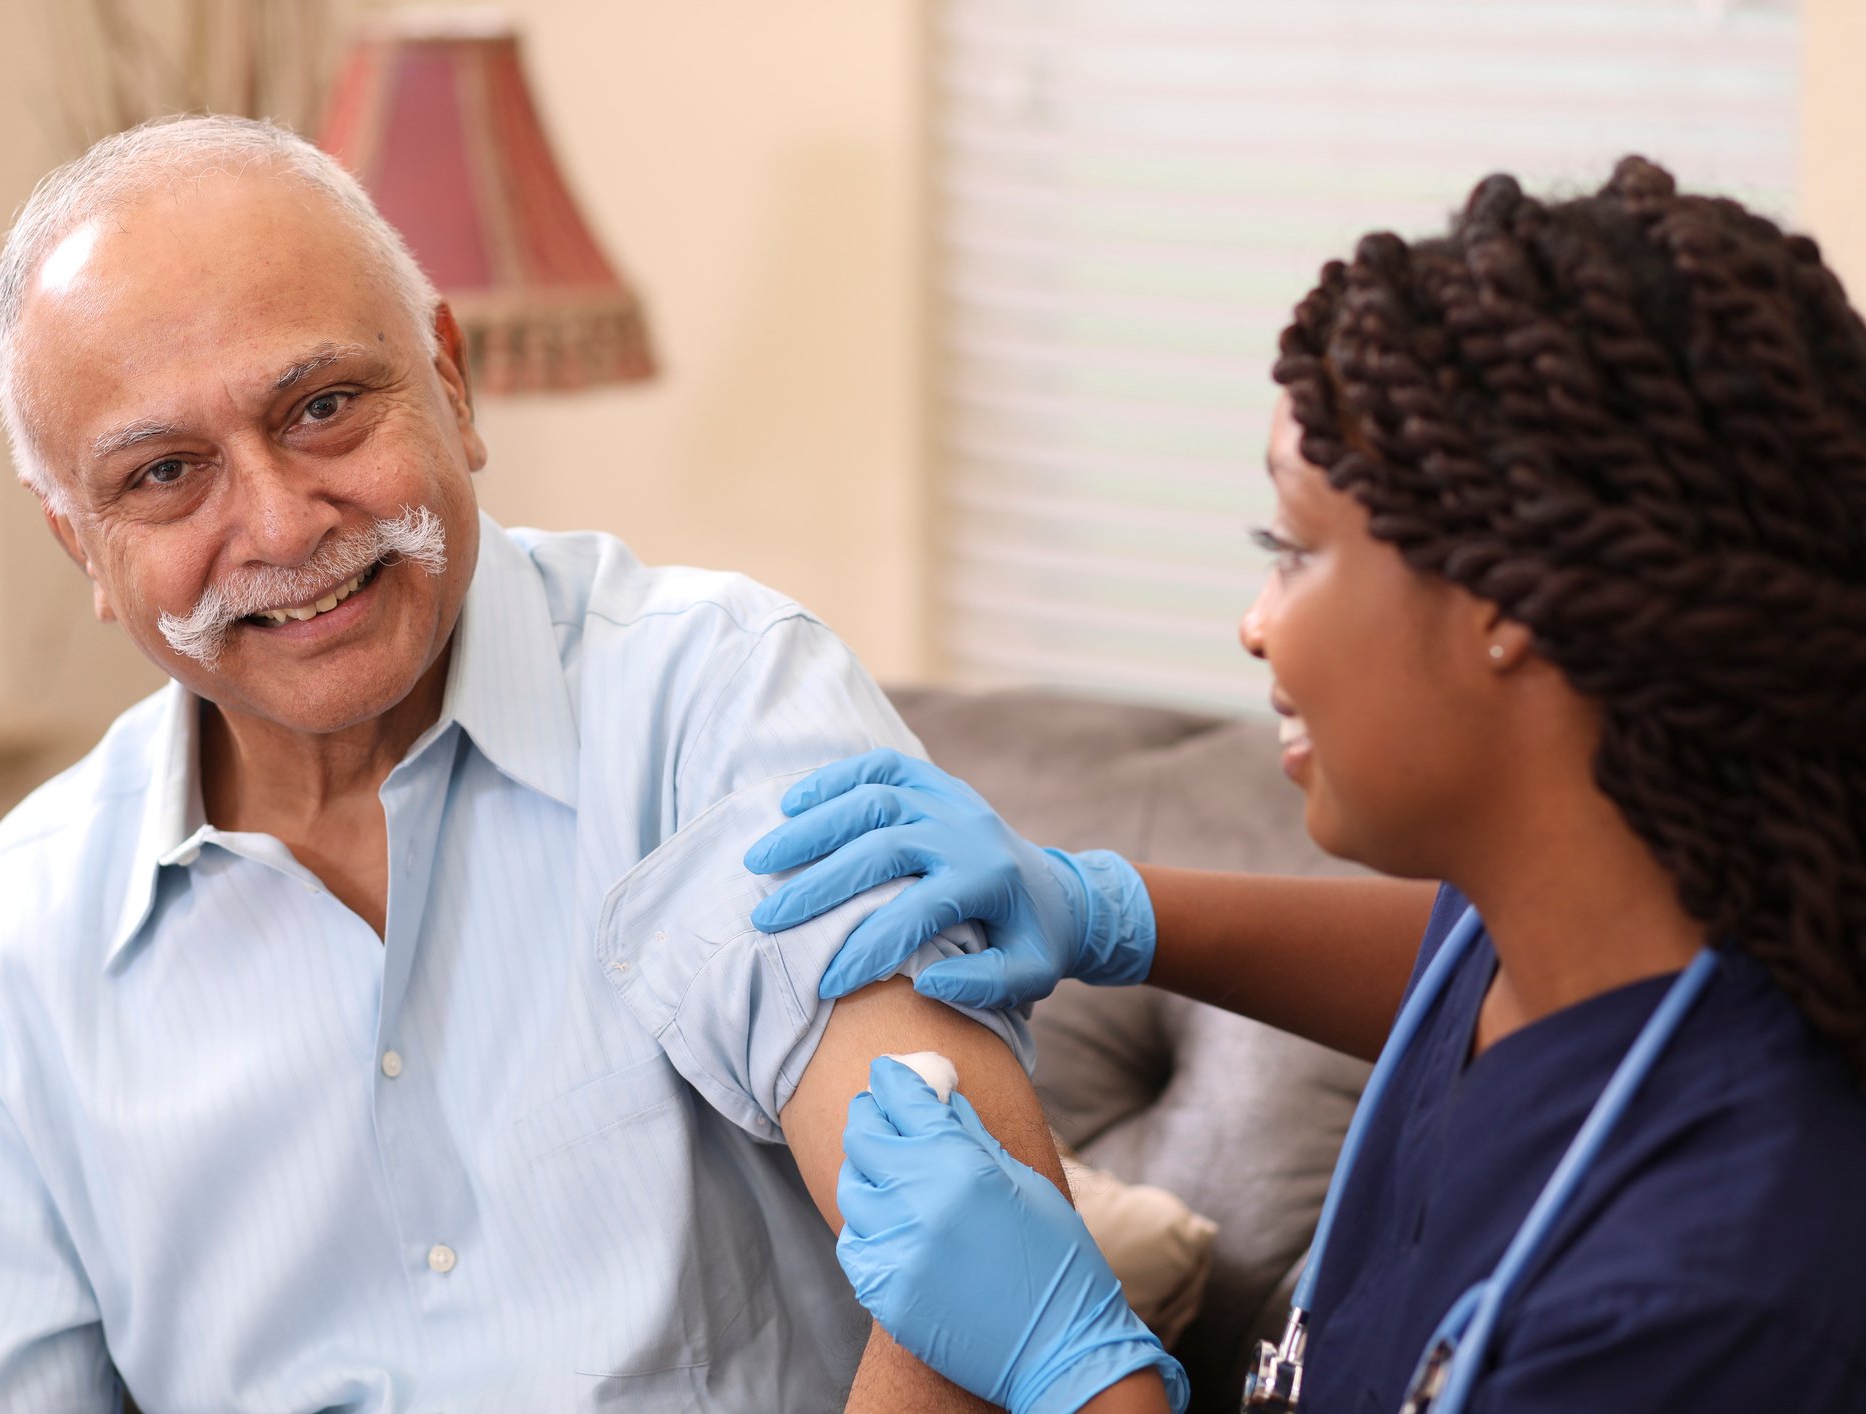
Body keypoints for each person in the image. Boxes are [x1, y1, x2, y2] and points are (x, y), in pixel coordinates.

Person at [0, 114, 1163, 1414]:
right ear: (79, 545)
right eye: (166, 474)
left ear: (450, 383)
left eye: (325, 404)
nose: (281, 522)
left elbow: (963, 1285)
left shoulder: (718, 699)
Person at [748, 158, 1866, 1412]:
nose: (1256, 624)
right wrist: (1110, 912)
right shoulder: (1586, 935)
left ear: (1506, 601)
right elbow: (1456, 972)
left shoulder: (1698, 1304)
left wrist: (1081, 1371)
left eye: (1292, 549)